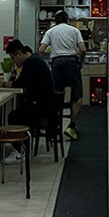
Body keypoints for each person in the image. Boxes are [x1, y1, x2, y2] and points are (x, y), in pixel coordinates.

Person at [3, 39, 59, 164]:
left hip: (43, 106)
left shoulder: (31, 63)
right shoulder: (35, 59)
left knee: (14, 116)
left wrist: (4, 84)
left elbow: (19, 83)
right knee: (18, 111)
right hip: (47, 104)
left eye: (13, 58)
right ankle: (21, 146)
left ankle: (19, 151)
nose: (14, 61)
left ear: (18, 54)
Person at [39, 10, 86, 139]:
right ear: (67, 20)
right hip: (71, 62)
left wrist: (46, 64)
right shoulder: (74, 30)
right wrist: (80, 61)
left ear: (56, 21)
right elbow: (83, 49)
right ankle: (71, 126)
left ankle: (54, 126)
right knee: (78, 95)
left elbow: (41, 50)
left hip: (56, 63)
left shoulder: (51, 31)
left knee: (57, 95)